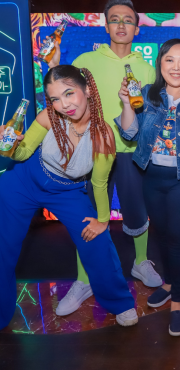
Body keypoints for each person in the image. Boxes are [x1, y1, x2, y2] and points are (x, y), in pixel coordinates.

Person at [47, 0, 162, 316]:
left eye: (128, 19)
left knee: (137, 212)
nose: (121, 24)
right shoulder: (86, 61)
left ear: (137, 28)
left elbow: (152, 114)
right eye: (115, 19)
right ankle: (84, 279)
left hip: (131, 152)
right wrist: (54, 65)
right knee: (89, 216)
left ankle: (141, 262)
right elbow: (64, 94)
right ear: (106, 26)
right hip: (92, 150)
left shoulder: (146, 68)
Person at [0, 65, 138, 330]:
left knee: (98, 241)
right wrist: (9, 145)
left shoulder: (103, 135)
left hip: (67, 191)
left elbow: (99, 183)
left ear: (87, 90)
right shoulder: (49, 116)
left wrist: (102, 221)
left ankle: (120, 302)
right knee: (2, 247)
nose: (64, 105)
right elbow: (21, 154)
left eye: (69, 93)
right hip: (23, 182)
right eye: (55, 98)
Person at [116, 39, 180, 336]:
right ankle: (170, 282)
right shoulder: (147, 95)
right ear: (160, 63)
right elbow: (129, 133)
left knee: (179, 239)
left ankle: (177, 302)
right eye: (169, 60)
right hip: (151, 177)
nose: (176, 66)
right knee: (162, 234)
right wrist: (126, 103)